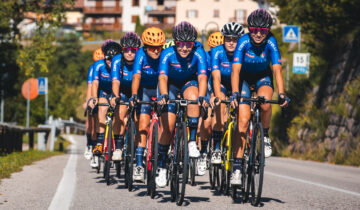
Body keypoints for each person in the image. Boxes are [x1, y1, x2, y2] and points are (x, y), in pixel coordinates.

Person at [230, 9, 289, 185]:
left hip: (263, 77)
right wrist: (234, 93)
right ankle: (238, 168)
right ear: (249, 28)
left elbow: (277, 69)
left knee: (264, 104)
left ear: (268, 31)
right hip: (244, 80)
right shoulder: (243, 41)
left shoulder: (271, 42)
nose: (257, 34)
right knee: (242, 122)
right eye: (254, 29)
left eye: (262, 31)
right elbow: (235, 70)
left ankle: (264, 134)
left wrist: (281, 93)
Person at [156, 21, 208, 187]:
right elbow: (163, 77)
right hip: (169, 85)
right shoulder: (167, 53)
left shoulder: (199, 53)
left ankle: (192, 141)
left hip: (188, 82)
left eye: (188, 44)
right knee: (168, 125)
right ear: (175, 42)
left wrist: (203, 97)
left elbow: (202, 77)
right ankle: (162, 166)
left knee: (194, 96)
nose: (184, 48)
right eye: (180, 44)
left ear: (193, 44)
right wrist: (164, 94)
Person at [131, 27, 166, 182]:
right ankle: (139, 165)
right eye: (152, 47)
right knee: (143, 126)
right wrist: (133, 95)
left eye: (159, 47)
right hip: (144, 90)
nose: (156, 51)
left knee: (167, 124)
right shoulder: (140, 54)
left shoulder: (164, 55)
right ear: (145, 47)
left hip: (159, 88)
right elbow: (136, 78)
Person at [209, 22, 244, 168]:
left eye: (234, 39)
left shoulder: (243, 51)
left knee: (245, 111)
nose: (231, 42)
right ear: (223, 39)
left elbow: (248, 77)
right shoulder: (217, 52)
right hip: (221, 84)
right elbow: (216, 78)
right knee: (220, 105)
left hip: (239, 85)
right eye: (228, 39)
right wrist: (217, 97)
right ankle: (217, 148)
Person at [196, 31, 224, 176]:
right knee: (206, 124)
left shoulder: (225, 57)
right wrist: (205, 97)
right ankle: (203, 152)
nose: (216, 51)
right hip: (207, 89)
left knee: (221, 118)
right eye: (213, 48)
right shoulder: (205, 57)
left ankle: (220, 147)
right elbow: (203, 79)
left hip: (220, 89)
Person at [110, 32, 141, 161]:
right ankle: (118, 147)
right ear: (122, 49)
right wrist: (115, 96)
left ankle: (139, 147)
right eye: (126, 49)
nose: (129, 53)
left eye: (133, 50)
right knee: (120, 112)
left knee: (139, 119)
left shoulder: (140, 59)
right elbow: (116, 81)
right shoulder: (117, 60)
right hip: (122, 90)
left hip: (138, 89)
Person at [89, 40, 121, 155]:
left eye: (113, 59)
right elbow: (95, 84)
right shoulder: (98, 65)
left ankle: (120, 142)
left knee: (121, 113)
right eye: (108, 58)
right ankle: (99, 143)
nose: (110, 61)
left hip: (118, 91)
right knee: (102, 109)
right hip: (103, 92)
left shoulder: (120, 65)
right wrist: (94, 98)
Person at [84, 48, 104, 161]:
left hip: (105, 93)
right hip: (95, 93)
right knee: (92, 120)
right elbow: (90, 87)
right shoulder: (93, 69)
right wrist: (89, 102)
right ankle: (90, 145)